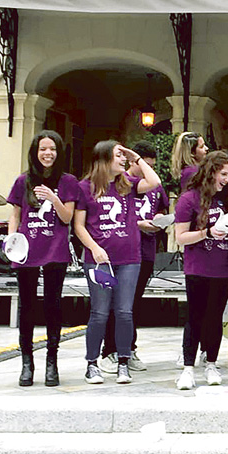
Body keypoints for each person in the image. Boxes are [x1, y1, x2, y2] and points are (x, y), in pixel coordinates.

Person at [73, 140, 161, 385]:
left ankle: (123, 362)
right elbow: (78, 226)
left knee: (124, 312)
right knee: (100, 312)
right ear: (103, 159)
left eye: (124, 156)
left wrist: (136, 158)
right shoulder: (85, 187)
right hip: (99, 260)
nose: (123, 159)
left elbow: (154, 182)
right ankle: (92, 364)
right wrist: (94, 248)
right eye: (118, 155)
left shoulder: (128, 184)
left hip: (129, 258)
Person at [7, 130, 79, 387]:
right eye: (43, 149)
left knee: (52, 304)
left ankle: (52, 361)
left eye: (53, 149)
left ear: (59, 153)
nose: (48, 153)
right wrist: (11, 240)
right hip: (27, 249)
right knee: (27, 306)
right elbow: (16, 214)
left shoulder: (68, 181)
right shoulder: (23, 180)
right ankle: (26, 362)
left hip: (54, 249)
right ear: (35, 152)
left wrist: (53, 197)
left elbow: (67, 218)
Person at [99, 141, 169, 375]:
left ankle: (128, 348)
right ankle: (109, 350)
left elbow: (161, 203)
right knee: (115, 303)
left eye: (151, 164)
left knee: (132, 304)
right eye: (144, 163)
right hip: (121, 250)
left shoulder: (152, 185)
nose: (148, 168)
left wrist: (159, 219)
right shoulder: (122, 183)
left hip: (145, 251)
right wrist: (139, 224)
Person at [174, 151, 228, 390]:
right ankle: (188, 368)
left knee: (215, 317)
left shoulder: (227, 199)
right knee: (195, 317)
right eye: (223, 174)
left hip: (223, 268)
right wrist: (206, 233)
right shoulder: (189, 199)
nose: (227, 180)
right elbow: (181, 237)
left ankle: (211, 363)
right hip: (198, 268)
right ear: (211, 172)